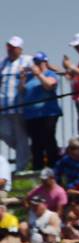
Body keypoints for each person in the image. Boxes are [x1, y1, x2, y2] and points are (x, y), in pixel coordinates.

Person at [21, 53, 62, 170]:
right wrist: (23, 78)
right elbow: (22, 91)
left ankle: (53, 168)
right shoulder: (30, 77)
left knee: (48, 140)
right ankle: (37, 169)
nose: (37, 65)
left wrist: (39, 74)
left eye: (39, 63)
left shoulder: (50, 74)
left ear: (45, 63)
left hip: (48, 114)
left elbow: (50, 85)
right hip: (31, 116)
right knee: (36, 144)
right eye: (35, 63)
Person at [0, 36, 33, 170]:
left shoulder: (27, 60)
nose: (10, 50)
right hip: (3, 107)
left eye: (13, 48)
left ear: (20, 49)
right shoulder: (2, 62)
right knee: (4, 133)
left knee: (21, 137)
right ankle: (28, 152)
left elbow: (40, 69)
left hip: (19, 107)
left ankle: (21, 167)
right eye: (9, 47)